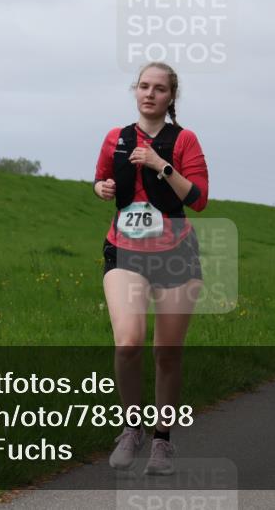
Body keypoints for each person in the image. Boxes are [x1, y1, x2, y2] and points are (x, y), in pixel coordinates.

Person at [93, 62, 209, 475]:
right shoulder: (116, 138)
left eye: (160, 89)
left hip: (176, 252)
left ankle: (162, 442)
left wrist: (161, 164)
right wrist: (101, 188)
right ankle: (131, 428)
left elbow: (198, 199)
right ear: (135, 90)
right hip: (124, 250)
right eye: (143, 86)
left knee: (167, 352)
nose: (150, 94)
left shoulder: (184, 140)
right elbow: (102, 180)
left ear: (171, 97)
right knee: (128, 342)